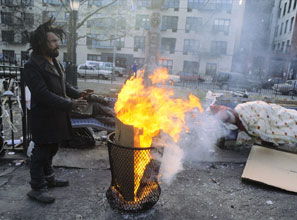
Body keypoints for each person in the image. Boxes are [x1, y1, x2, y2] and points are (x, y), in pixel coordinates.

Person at [23, 18, 89, 204]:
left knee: (53, 148)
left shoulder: (54, 62)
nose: (56, 43)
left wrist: (78, 94)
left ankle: (49, 178)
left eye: (56, 40)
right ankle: (37, 188)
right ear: (41, 44)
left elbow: (64, 85)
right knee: (41, 152)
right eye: (52, 41)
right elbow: (42, 94)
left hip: (56, 115)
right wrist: (69, 104)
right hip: (43, 117)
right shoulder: (32, 66)